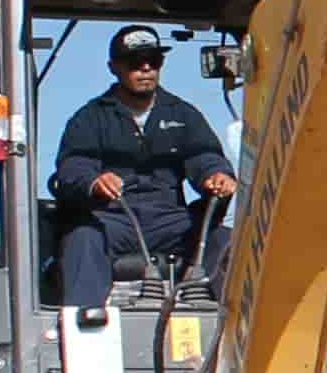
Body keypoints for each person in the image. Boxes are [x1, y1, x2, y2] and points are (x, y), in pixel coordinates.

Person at [51, 26, 234, 320]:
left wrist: (216, 174)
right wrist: (94, 181)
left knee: (224, 241)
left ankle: (243, 328)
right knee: (82, 239)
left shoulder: (183, 114)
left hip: (170, 220)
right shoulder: (91, 117)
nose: (146, 68)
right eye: (135, 62)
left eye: (153, 60)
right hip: (113, 219)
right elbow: (73, 166)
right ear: (114, 68)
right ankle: (82, 335)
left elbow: (204, 155)